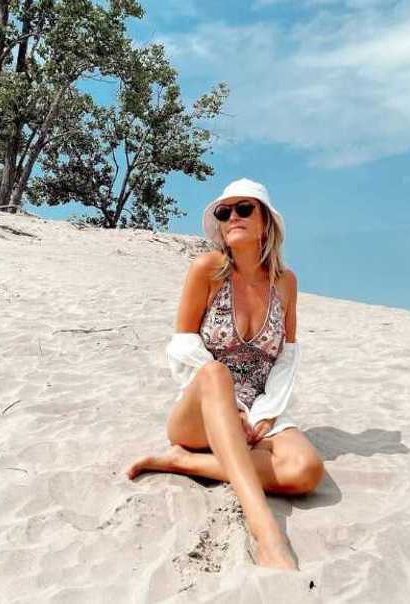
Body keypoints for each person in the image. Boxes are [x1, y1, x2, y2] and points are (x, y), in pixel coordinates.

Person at [125, 178, 324, 571]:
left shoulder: (286, 282)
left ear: (266, 221)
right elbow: (182, 346)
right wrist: (230, 407)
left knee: (306, 471)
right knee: (216, 372)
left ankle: (185, 464)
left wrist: (267, 412)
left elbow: (286, 355)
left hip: (262, 405)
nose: (232, 217)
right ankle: (265, 529)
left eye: (244, 209)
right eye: (224, 212)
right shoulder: (208, 270)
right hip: (203, 407)